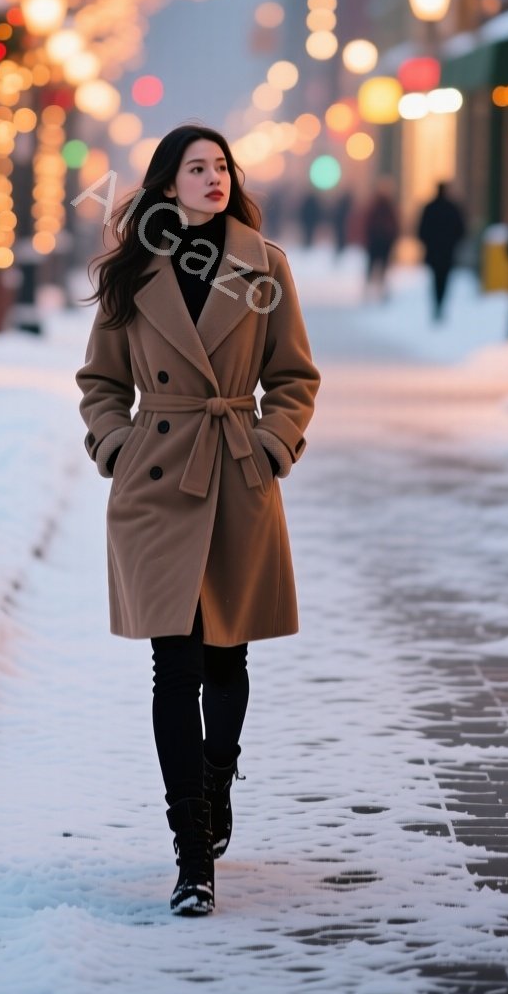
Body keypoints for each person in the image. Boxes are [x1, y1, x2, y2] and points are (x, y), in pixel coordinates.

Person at [77, 125, 320, 918]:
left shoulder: (265, 264)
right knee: (172, 667)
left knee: (226, 658)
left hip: (237, 472)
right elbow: (100, 380)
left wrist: (272, 443)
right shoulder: (130, 270)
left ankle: (219, 774)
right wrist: (116, 444)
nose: (214, 179)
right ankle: (191, 857)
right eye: (197, 168)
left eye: (222, 167)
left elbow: (293, 375)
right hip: (156, 481)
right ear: (167, 183)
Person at [417, 182, 467, 321]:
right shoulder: (452, 208)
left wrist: (428, 243)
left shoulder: (430, 208)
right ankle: (440, 305)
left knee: (435, 279)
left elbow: (421, 230)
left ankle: (437, 305)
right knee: (444, 280)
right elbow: (461, 230)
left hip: (434, 251)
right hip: (447, 252)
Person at [363, 179, 400, 299]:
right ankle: (373, 289)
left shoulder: (378, 207)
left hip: (379, 241)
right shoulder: (383, 207)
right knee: (378, 266)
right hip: (380, 241)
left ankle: (373, 289)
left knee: (375, 266)